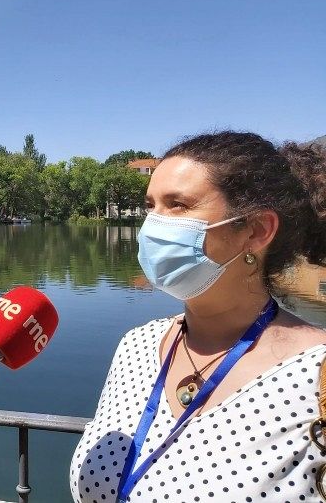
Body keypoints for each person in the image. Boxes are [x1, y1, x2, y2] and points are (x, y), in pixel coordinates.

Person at [69, 131, 326, 502]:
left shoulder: (316, 374)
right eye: (151, 205)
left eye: (178, 205)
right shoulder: (137, 345)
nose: (153, 225)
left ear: (256, 231)